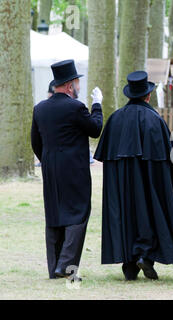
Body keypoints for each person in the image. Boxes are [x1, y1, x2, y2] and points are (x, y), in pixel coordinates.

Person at [94, 71, 173, 281]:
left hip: (122, 180)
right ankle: (145, 255)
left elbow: (106, 158)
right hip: (150, 178)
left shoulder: (115, 119)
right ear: (148, 96)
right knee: (150, 210)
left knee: (125, 211)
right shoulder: (154, 119)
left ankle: (129, 263)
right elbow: (168, 159)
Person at [31, 59, 103, 280]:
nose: (79, 87)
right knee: (78, 214)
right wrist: (97, 105)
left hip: (50, 167)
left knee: (54, 215)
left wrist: (47, 158)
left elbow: (35, 141)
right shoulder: (76, 107)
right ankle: (66, 265)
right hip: (74, 169)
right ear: (70, 85)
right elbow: (95, 129)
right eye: (77, 83)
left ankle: (54, 268)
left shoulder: (40, 108)